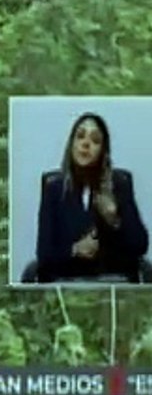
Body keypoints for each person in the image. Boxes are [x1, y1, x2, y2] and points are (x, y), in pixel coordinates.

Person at [35, 112, 149, 283]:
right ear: (71, 144)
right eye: (80, 137)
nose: (86, 144)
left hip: (112, 283)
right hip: (68, 282)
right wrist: (75, 249)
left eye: (95, 140)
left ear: (103, 151)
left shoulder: (119, 185)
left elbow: (140, 246)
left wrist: (114, 219)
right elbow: (44, 253)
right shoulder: (54, 188)